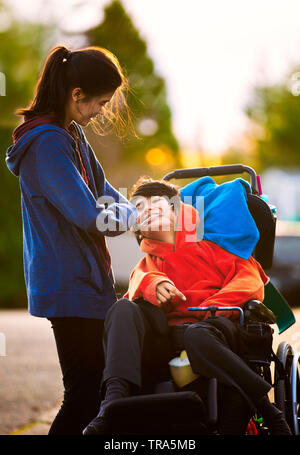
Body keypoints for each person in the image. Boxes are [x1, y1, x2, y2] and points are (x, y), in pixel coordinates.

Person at [83, 177, 291, 435]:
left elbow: (249, 280)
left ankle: (268, 410)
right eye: (139, 209)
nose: (147, 211)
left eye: (155, 205)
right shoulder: (149, 263)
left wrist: (212, 308)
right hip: (165, 339)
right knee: (121, 309)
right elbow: (135, 286)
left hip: (215, 331)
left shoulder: (214, 248)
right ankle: (111, 405)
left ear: (176, 211)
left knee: (198, 334)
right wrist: (152, 283)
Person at [5, 45, 138, 435]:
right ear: (76, 94)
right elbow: (89, 214)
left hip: (87, 283)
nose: (102, 111)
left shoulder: (72, 134)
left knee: (95, 393)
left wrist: (135, 210)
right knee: (83, 396)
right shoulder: (46, 144)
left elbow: (105, 191)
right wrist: (134, 218)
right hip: (68, 286)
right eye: (100, 102)